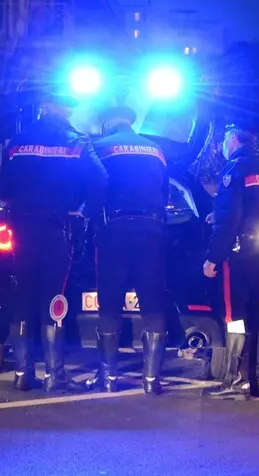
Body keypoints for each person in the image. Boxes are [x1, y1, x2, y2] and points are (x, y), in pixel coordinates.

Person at [0, 89, 108, 393]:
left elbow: (1, 188)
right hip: (58, 230)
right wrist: (84, 211)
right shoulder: (77, 142)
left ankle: (22, 373)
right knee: (53, 298)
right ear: (66, 109)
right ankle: (54, 374)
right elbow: (101, 179)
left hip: (21, 230)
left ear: (44, 107)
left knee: (23, 298)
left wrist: (21, 204)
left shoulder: (18, 142)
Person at [87, 105, 170, 395]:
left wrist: (90, 217)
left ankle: (109, 378)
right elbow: (165, 192)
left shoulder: (100, 147)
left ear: (108, 122)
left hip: (115, 231)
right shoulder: (155, 149)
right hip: (152, 231)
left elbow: (93, 187)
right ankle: (151, 380)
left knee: (110, 303)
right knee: (153, 302)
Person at [202, 124, 259, 399]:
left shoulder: (234, 169)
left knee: (234, 315)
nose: (223, 142)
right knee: (255, 310)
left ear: (233, 138)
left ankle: (233, 380)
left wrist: (213, 257)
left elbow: (229, 219)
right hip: (258, 248)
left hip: (236, 252)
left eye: (224, 137)